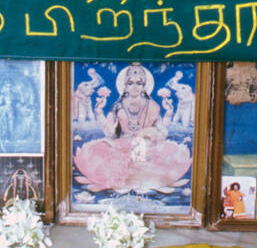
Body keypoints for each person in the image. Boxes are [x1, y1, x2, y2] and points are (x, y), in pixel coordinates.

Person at [73, 63, 191, 195]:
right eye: (130, 83)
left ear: (144, 86)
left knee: (169, 153)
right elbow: (111, 134)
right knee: (95, 152)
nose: (135, 87)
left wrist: (168, 113)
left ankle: (139, 176)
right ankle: (133, 176)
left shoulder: (152, 106)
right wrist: (99, 112)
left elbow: (161, 133)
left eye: (139, 83)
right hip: (121, 146)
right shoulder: (117, 106)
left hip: (145, 146)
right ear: (125, 86)